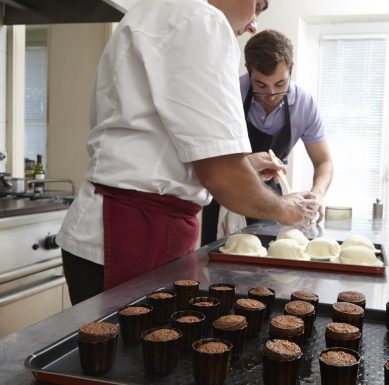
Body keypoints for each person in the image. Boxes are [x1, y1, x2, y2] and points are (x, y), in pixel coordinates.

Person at [56, 0, 320, 305]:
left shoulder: (156, 10)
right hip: (131, 233)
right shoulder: (202, 19)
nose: (253, 24)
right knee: (138, 350)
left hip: (119, 227)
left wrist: (243, 164)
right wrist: (285, 209)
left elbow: (156, 139)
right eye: (257, 6)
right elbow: (222, 176)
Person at [201, 29, 333, 245]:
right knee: (218, 262)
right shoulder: (229, 93)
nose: (271, 94)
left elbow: (324, 161)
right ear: (248, 71)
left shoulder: (304, 104)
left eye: (280, 84)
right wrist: (246, 164)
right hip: (225, 195)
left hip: (271, 198)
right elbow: (211, 159)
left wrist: (317, 194)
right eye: (261, 85)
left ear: (291, 71)